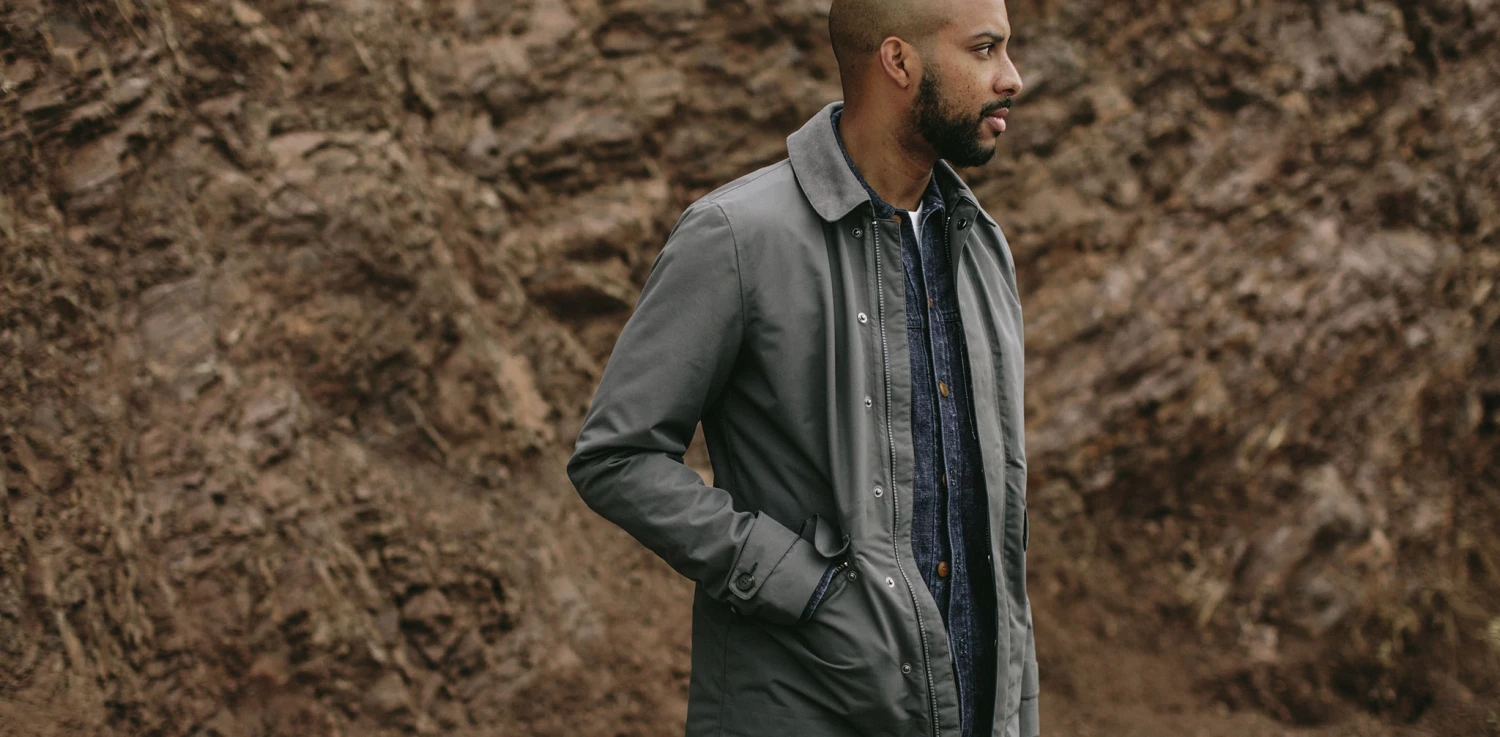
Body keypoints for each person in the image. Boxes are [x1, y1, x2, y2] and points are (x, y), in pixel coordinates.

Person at [566, 0, 1036, 735]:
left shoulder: (980, 246)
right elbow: (616, 457)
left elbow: (997, 541)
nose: (1012, 77)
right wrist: (799, 585)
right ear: (898, 61)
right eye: (984, 49)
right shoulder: (735, 236)